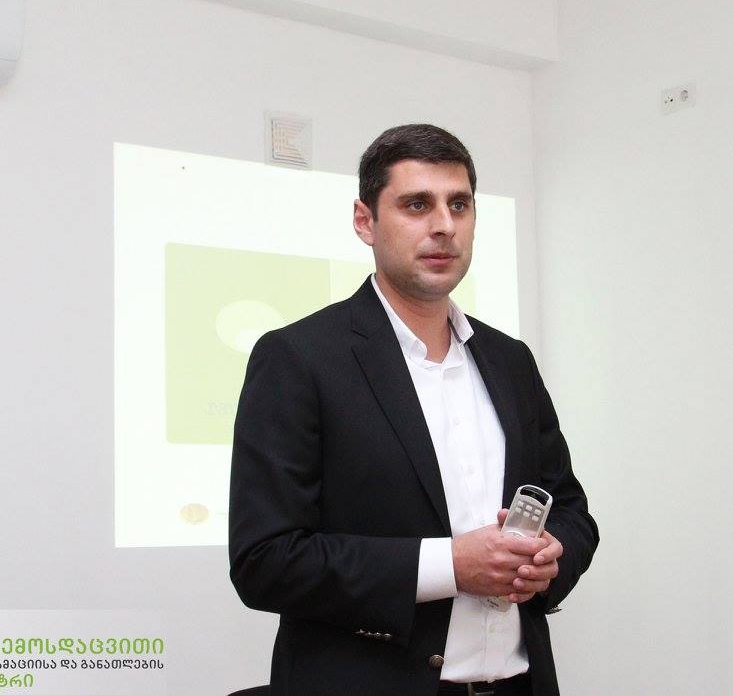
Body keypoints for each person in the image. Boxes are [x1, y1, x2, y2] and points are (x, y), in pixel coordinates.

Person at [229, 124, 598, 696]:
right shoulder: (298, 358)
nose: (444, 225)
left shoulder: (510, 360)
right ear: (365, 221)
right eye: (417, 205)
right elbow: (266, 561)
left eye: (459, 205)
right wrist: (452, 566)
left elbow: (570, 508)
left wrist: (552, 556)